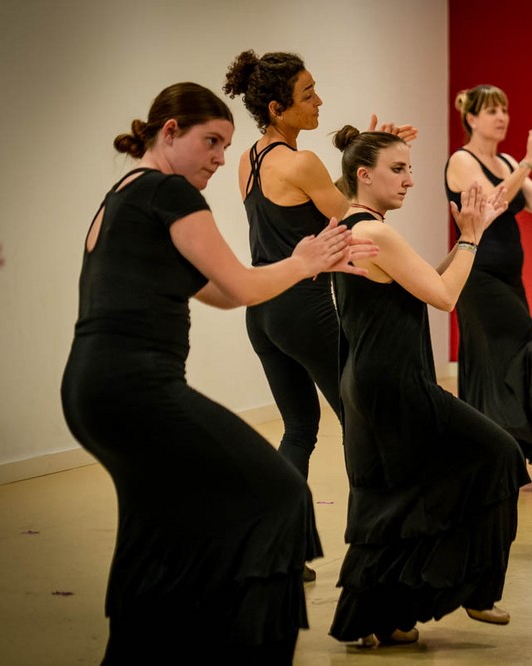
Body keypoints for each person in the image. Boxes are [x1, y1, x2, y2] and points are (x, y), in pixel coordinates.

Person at [59, 82, 373, 664]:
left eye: (227, 145)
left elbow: (222, 295)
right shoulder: (169, 193)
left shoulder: (122, 195)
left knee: (157, 524)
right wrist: (305, 262)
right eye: (210, 141)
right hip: (135, 387)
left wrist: (302, 264)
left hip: (91, 392)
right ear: (169, 131)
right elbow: (244, 285)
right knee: (278, 495)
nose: (221, 158)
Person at [328, 125, 529, 647]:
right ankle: (470, 588)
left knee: (397, 494)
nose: (412, 181)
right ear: (363, 174)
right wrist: (472, 236)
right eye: (399, 169)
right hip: (395, 381)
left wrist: (465, 239)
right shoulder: (377, 232)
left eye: (411, 169)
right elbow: (442, 297)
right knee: (498, 455)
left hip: (371, 380)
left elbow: (420, 286)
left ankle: (385, 615)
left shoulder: (354, 224)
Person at [223, 50, 413, 581]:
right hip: (302, 308)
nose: (319, 101)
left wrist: (364, 154)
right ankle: (374, 547)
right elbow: (349, 213)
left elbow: (313, 201)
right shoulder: (301, 162)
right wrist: (372, 164)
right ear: (279, 107)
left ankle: (277, 549)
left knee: (300, 427)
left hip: (262, 311)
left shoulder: (251, 158)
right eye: (308, 95)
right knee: (362, 421)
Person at [445, 84, 532, 463]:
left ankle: (495, 451)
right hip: (477, 276)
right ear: (471, 118)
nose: (502, 117)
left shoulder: (507, 162)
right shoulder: (461, 160)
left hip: (508, 278)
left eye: (504, 110)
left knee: (496, 361)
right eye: (492, 111)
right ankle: (496, 445)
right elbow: (492, 205)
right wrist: (528, 164)